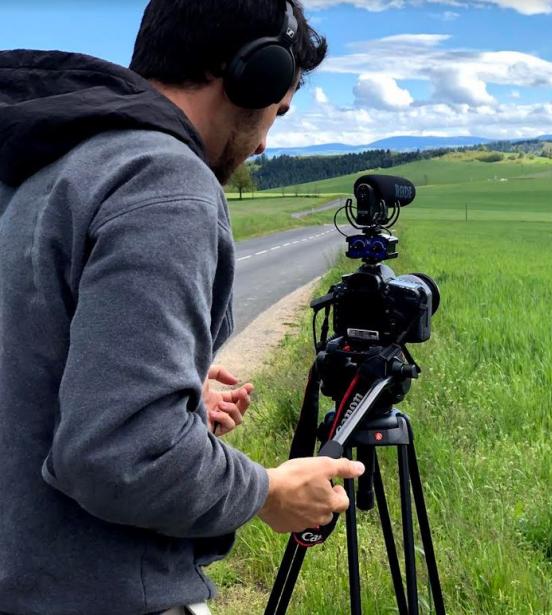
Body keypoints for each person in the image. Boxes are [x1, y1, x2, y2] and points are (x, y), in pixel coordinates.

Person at [0, 1, 364, 614]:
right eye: (278, 111)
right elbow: (121, 456)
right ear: (255, 75)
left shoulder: (43, 160)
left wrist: (168, 389)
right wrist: (268, 493)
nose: (267, 143)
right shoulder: (164, 183)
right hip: (92, 592)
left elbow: (26, 354)